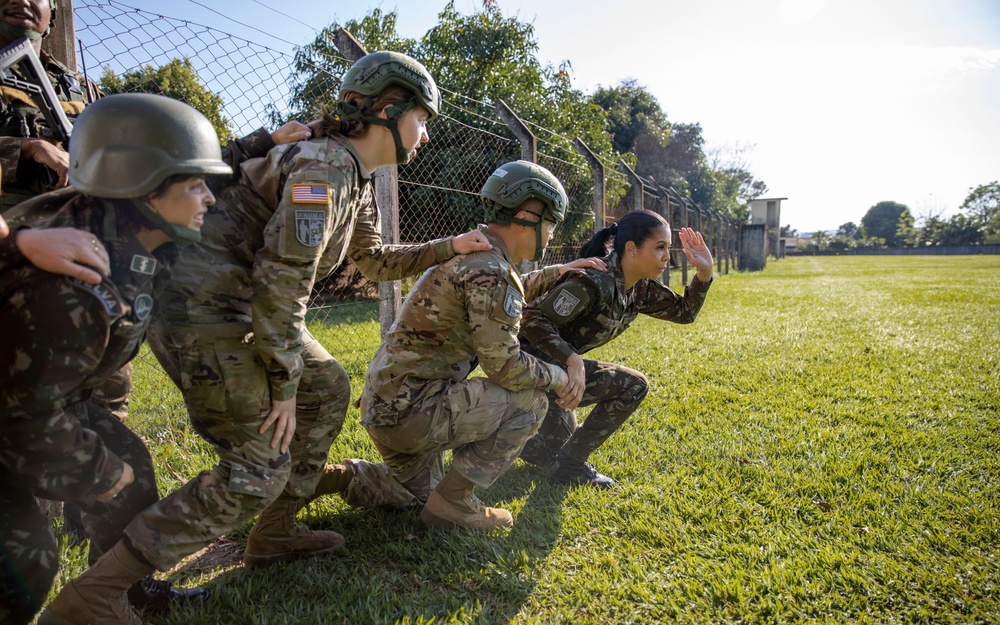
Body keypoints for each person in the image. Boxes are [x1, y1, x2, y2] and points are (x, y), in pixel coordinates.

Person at [37, 50, 493, 624]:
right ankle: (95, 595)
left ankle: (274, 533)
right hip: (203, 310)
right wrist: (281, 381)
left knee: (327, 387)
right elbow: (284, 279)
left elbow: (374, 262)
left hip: (244, 306)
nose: (425, 134)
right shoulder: (324, 168)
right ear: (387, 109)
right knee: (258, 469)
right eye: (421, 118)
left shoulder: (353, 174)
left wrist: (452, 246)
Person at [0, 93, 230, 625]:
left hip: (50, 393)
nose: (210, 199)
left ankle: (123, 594)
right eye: (196, 184)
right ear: (146, 186)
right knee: (26, 557)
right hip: (15, 408)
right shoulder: (72, 284)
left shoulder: (124, 223)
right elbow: (24, 417)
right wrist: (98, 473)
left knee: (133, 471)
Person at [349, 160, 602, 531]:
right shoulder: (490, 269)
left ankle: (333, 478)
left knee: (417, 494)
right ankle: (455, 502)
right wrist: (560, 377)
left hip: (387, 406)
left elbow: (503, 291)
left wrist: (558, 272)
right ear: (526, 215)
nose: (550, 234)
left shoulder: (477, 253)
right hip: (411, 413)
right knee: (531, 402)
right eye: (550, 223)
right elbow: (505, 366)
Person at [517, 209, 714, 488]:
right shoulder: (594, 280)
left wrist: (704, 273)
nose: (667, 257)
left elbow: (684, 313)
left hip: (557, 373)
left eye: (668, 248)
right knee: (633, 385)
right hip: (527, 370)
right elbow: (530, 319)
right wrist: (571, 360)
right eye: (660, 248)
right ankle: (568, 467)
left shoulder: (639, 287)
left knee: (553, 454)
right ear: (632, 249)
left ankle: (503, 436)